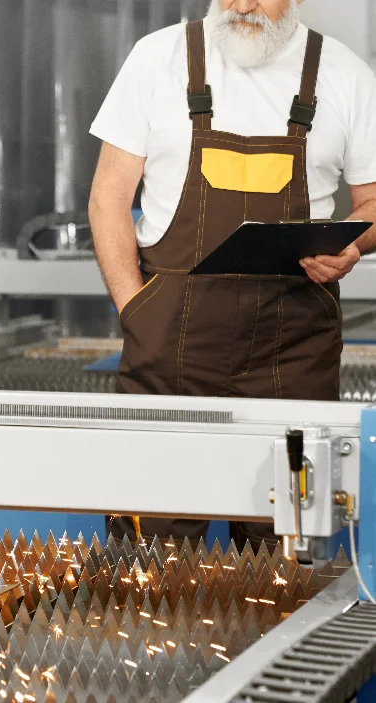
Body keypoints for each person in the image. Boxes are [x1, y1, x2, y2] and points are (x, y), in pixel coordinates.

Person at [88, 0, 376, 549]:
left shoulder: (345, 74)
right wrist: (136, 310)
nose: (243, 5)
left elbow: (373, 201)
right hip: (169, 348)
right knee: (152, 557)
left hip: (293, 357)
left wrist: (353, 242)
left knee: (286, 555)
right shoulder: (157, 60)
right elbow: (108, 197)